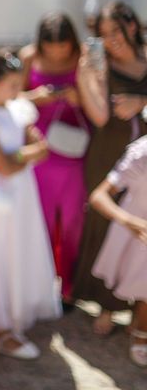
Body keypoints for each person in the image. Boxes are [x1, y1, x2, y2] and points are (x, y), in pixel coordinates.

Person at [0, 50, 61, 359]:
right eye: (9, 85)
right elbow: (4, 166)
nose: (16, 91)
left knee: (22, 247)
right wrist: (25, 154)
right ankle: (0, 326)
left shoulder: (20, 107)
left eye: (18, 84)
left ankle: (17, 315)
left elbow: (41, 149)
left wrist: (20, 156)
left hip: (21, 190)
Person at [72, 2, 147, 336]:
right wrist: (87, 72)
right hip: (108, 154)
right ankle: (106, 304)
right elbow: (100, 115)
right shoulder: (98, 65)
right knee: (107, 229)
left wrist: (142, 102)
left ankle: (139, 310)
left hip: (144, 157)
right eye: (104, 35)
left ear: (132, 26)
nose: (112, 40)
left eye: (116, 30)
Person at [19, 13, 87, 303]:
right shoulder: (27, 57)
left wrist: (77, 98)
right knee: (41, 220)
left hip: (74, 148)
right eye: (51, 47)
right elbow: (9, 97)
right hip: (40, 147)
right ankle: (42, 287)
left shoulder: (84, 56)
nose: (58, 52)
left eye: (63, 46)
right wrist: (37, 96)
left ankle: (69, 286)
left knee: (72, 221)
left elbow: (98, 102)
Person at [90, 134, 147, 367]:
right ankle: (140, 331)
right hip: (136, 231)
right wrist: (129, 221)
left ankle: (139, 326)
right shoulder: (141, 154)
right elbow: (99, 196)